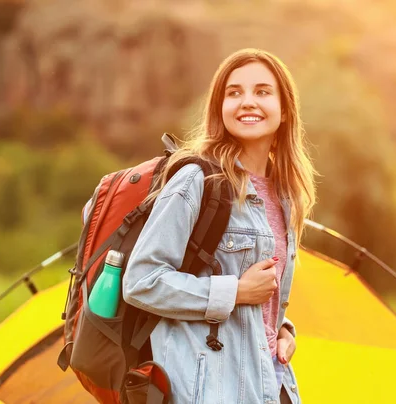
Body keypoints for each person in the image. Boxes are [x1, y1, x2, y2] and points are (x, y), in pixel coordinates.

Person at [123, 48, 316, 404]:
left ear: (285, 109)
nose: (247, 102)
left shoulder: (285, 195)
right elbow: (141, 282)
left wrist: (281, 330)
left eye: (262, 91)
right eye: (234, 92)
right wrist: (235, 293)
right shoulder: (197, 180)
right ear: (220, 107)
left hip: (271, 382)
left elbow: (265, 298)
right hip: (211, 389)